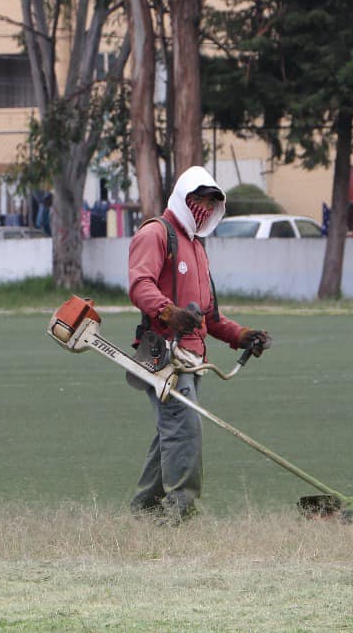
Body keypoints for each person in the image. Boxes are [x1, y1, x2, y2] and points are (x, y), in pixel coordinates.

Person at [126, 166, 272, 522]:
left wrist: (241, 336)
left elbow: (212, 318)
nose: (203, 208)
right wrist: (169, 312)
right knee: (184, 430)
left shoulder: (197, 248)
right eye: (198, 200)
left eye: (210, 202)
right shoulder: (157, 233)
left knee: (171, 434)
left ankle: (144, 507)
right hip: (162, 353)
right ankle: (181, 509)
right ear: (183, 197)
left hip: (192, 357)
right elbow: (140, 285)